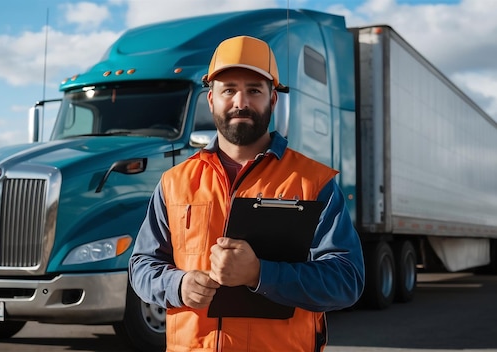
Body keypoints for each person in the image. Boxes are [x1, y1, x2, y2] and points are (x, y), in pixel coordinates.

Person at [129, 35, 365, 352]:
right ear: (211, 100)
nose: (241, 102)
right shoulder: (174, 182)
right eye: (229, 90)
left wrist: (259, 273)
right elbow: (142, 265)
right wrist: (178, 284)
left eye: (254, 90)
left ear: (273, 100)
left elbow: (346, 280)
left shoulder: (313, 182)